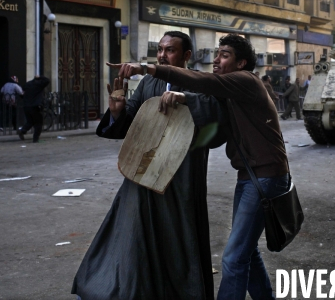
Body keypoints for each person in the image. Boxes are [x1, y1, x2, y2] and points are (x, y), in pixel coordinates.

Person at [109, 33, 290, 300]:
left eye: (224, 55)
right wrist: (118, 111)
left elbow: (203, 89)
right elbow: (134, 119)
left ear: (241, 64)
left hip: (262, 177)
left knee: (233, 259)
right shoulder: (223, 89)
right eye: (217, 54)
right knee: (245, 252)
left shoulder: (244, 81)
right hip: (249, 176)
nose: (216, 60)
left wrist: (150, 70)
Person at [72, 32, 223, 300]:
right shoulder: (149, 83)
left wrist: (186, 99)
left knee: (177, 239)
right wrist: (118, 110)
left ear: (187, 56)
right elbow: (130, 120)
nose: (163, 55)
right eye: (160, 49)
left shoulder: (201, 83)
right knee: (133, 234)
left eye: (170, 50)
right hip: (142, 172)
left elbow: (216, 125)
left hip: (182, 177)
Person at [18, 75, 49, 142]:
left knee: (30, 121)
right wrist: (40, 77)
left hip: (26, 106)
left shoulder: (27, 84)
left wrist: (25, 99)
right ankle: (35, 138)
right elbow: (47, 80)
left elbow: (21, 94)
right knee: (38, 123)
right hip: (35, 106)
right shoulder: (39, 84)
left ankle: (22, 131)